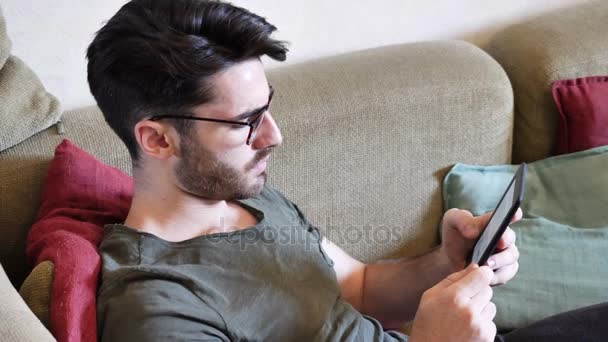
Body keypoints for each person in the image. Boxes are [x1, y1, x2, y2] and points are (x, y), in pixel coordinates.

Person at [87, 0, 607, 341]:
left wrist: (446, 262)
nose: (274, 136)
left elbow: (357, 287)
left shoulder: (242, 191)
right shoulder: (156, 307)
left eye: (267, 107)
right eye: (246, 122)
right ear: (156, 138)